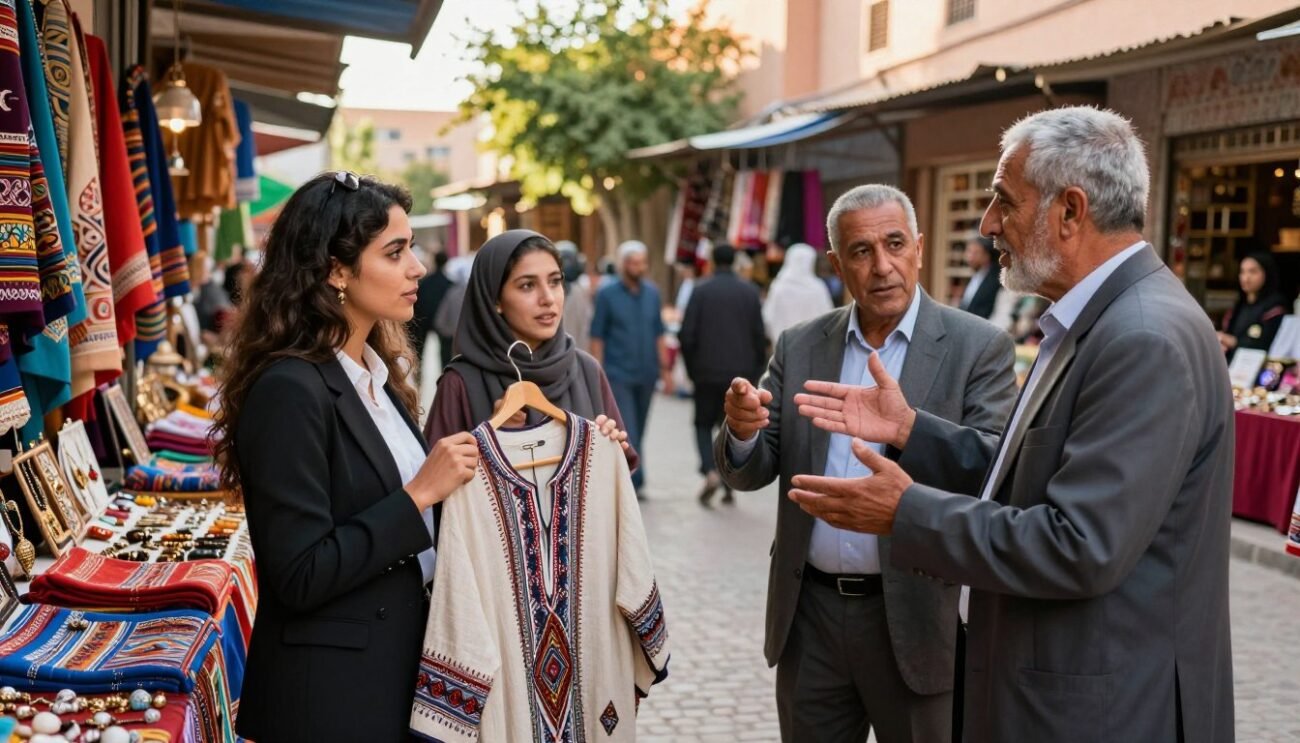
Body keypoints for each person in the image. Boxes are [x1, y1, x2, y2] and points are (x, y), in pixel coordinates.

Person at [788, 107, 1236, 743]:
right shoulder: (1093, 319)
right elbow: (1027, 477)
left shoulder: (1142, 338)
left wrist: (905, 512)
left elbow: (1078, 544)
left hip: (1100, 711)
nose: (986, 223)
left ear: (1070, 212)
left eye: (1003, 200)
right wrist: (914, 430)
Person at [715, 184, 1017, 742]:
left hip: (918, 617)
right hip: (812, 618)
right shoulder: (801, 345)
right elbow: (755, 467)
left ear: (919, 248)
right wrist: (740, 430)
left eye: (895, 244)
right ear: (836, 263)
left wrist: (909, 429)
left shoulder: (978, 346)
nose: (882, 266)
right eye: (860, 251)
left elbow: (993, 470)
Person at [211, 172, 481, 741]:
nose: (418, 268)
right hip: (330, 699)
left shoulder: (377, 379)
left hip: (391, 676)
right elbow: (298, 573)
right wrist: (419, 494)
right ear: (336, 270)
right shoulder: (289, 389)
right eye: (395, 252)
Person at [423, 229, 636, 469]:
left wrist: (613, 448)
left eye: (555, 282)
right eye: (527, 286)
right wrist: (489, 438)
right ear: (495, 299)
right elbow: (436, 489)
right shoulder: (461, 383)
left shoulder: (586, 370)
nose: (548, 298)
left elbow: (617, 477)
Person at [680, 243, 766, 506]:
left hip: (706, 372)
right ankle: (729, 479)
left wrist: (692, 369)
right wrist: (755, 372)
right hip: (739, 374)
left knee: (703, 424)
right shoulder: (750, 293)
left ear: (713, 262)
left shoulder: (700, 291)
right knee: (731, 425)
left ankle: (710, 471)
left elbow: (687, 334)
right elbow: (759, 336)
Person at [591, 240, 671, 495]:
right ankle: (633, 480)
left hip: (646, 373)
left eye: (642, 262)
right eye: (634, 263)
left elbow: (659, 332)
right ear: (624, 264)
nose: (639, 267)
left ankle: (633, 475)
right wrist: (597, 373)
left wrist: (665, 369)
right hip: (618, 373)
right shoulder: (607, 294)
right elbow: (597, 336)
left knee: (640, 427)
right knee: (628, 428)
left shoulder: (652, 293)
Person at [1218, 251, 1288, 360]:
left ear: (1266, 273)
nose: (1246, 278)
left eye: (1253, 272)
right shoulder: (1238, 307)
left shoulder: (1275, 308)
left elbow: (1266, 343)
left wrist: (1233, 342)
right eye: (1242, 272)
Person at [763, 242, 835, 344]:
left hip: (782, 348)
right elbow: (829, 321)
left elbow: (768, 318)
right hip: (812, 350)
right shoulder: (817, 288)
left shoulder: (779, 287)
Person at [410, 249, 452, 369]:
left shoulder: (425, 282)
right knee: (445, 353)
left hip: (424, 319)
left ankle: (418, 375)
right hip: (444, 323)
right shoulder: (449, 283)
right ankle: (444, 374)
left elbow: (419, 301)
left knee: (419, 351)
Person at [556, 239, 594, 353]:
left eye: (570, 260)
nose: (567, 265)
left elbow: (586, 327)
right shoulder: (547, 294)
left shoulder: (580, 292)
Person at [957, 236, 1001, 319]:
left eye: (976, 253)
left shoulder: (995, 279)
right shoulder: (975, 276)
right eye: (969, 251)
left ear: (986, 256)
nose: (970, 257)